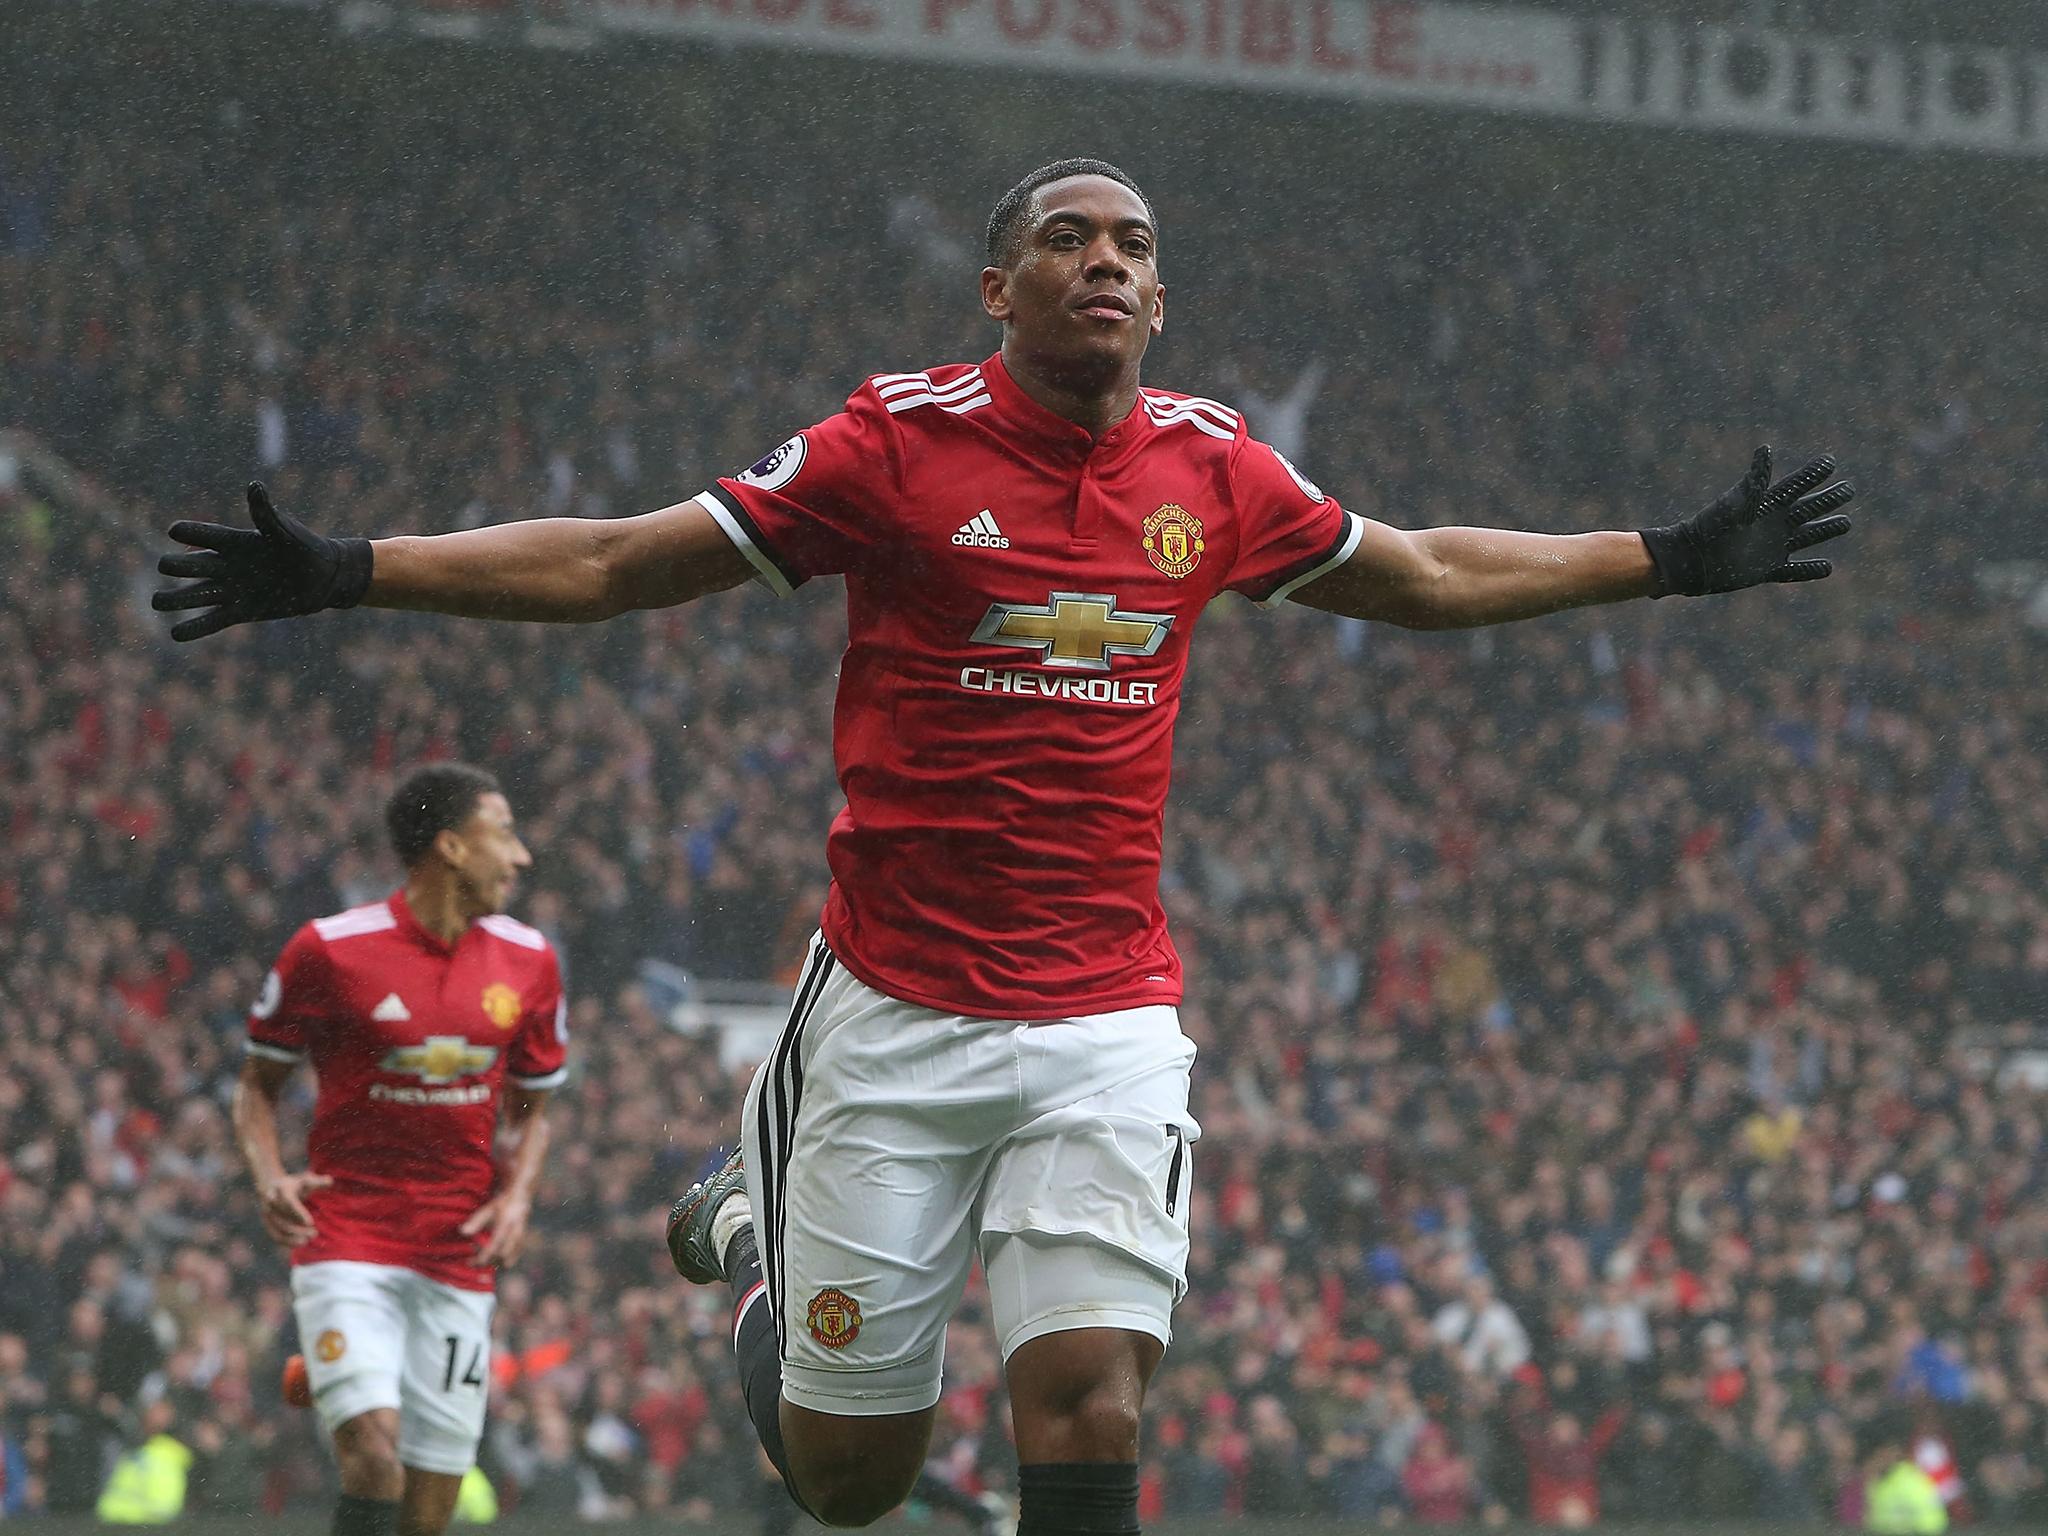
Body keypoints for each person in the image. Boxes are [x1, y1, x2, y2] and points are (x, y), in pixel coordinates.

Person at [155, 157, 1855, 1535]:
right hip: (890, 1011)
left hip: (1104, 1018)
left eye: (1132, 244)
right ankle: (752, 1237)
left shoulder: (1213, 471)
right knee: (851, 1483)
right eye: (1065, 239)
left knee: (1092, 1404)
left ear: (1160, 295)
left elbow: (1418, 573)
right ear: (999, 287)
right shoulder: (890, 448)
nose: (1104, 263)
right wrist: (356, 566)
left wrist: (1664, 556)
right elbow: (614, 559)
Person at [233, 762, 567, 1536]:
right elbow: (257, 1087)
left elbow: (535, 1109)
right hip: (345, 1235)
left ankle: (338, 1374)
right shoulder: (329, 950)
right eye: (505, 834)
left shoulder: (531, 962)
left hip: (459, 1252)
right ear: (450, 846)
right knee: (375, 1457)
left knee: (426, 1510)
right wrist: (268, 1175)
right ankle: (347, 1376)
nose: (521, 857)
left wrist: (517, 1196)